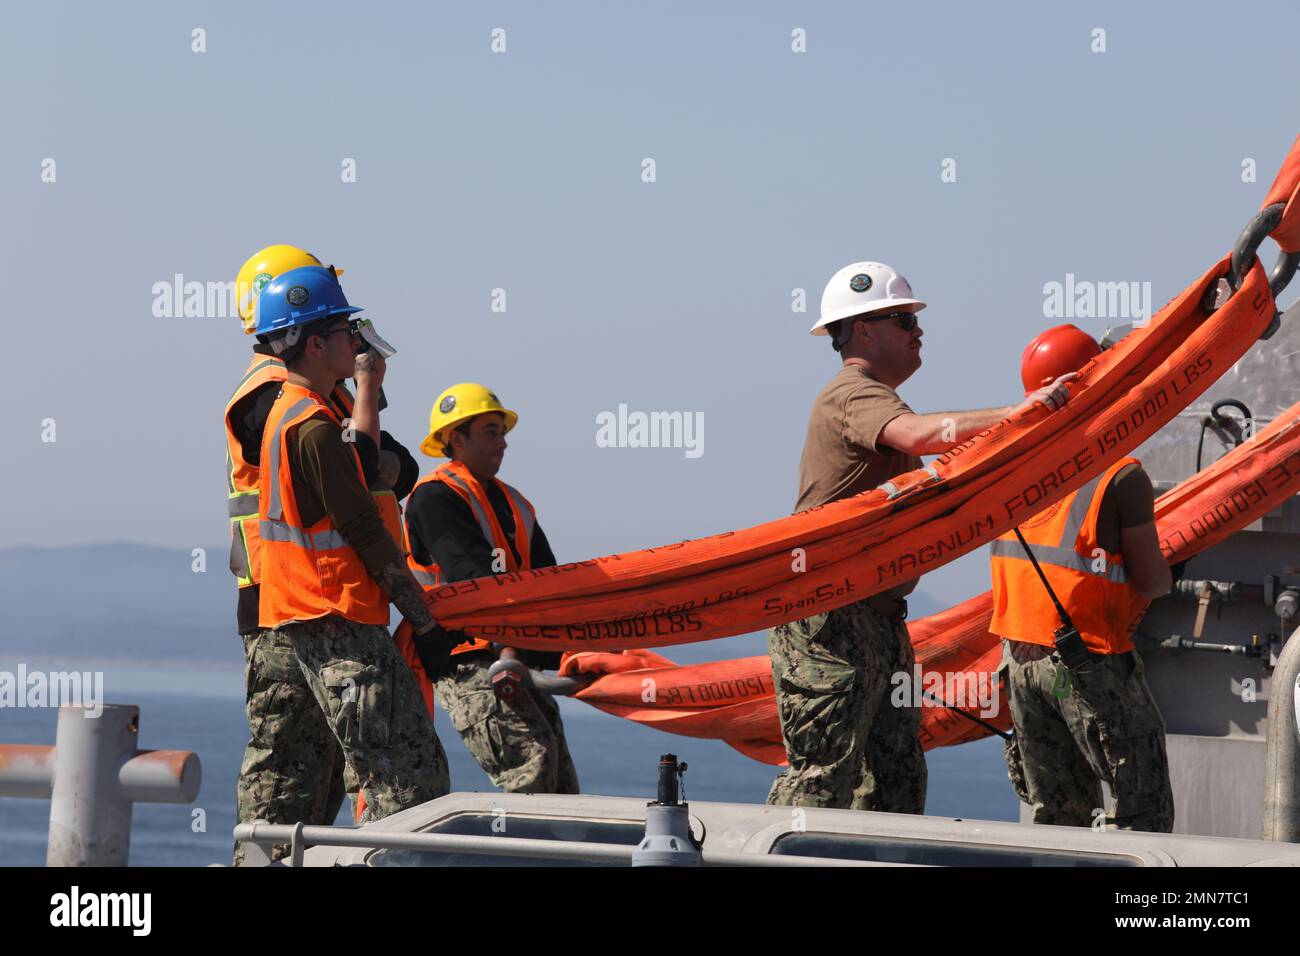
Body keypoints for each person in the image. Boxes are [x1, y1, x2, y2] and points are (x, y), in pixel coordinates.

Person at [768, 260, 1076, 812]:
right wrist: (1019, 414)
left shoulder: (874, 400)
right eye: (905, 318)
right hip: (830, 615)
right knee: (822, 778)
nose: (918, 330)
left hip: (874, 616)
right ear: (864, 330)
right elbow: (920, 435)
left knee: (896, 780)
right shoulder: (851, 395)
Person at [253, 264, 458, 825]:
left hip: (317, 617)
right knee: (406, 780)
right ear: (314, 344)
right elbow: (366, 531)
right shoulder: (313, 427)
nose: (356, 340)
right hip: (337, 618)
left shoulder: (296, 414)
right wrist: (427, 623)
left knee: (364, 775)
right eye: (346, 331)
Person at [991, 324, 1175, 831]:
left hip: (1019, 662)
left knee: (1058, 815)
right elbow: (1152, 581)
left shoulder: (1007, 463)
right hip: (1088, 663)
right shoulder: (1120, 472)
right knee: (1142, 808)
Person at [402, 383, 580, 794]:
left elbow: (551, 581)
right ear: (456, 438)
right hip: (468, 661)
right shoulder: (434, 497)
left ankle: (554, 854)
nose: (502, 443)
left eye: (503, 433)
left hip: (514, 659)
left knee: (558, 776)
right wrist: (513, 646)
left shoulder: (514, 503)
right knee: (531, 766)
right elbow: (475, 582)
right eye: (491, 432)